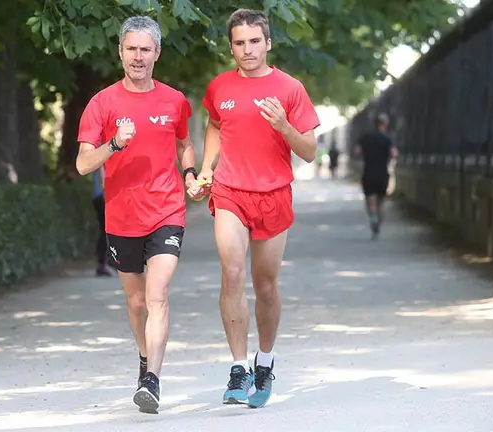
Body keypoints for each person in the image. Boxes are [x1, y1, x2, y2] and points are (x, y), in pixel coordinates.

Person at [187, 8, 320, 409]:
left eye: (254, 42)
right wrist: (207, 170)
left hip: (274, 193)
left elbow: (310, 152)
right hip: (229, 191)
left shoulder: (290, 88)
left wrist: (284, 126)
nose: (247, 50)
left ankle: (265, 362)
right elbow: (214, 124)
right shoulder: (220, 86)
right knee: (232, 271)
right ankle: (238, 367)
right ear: (231, 47)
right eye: (239, 43)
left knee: (265, 284)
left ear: (268, 43)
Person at [75, 15, 198, 414]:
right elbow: (82, 165)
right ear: (121, 52)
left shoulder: (174, 100)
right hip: (122, 217)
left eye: (146, 49)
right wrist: (114, 143)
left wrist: (191, 174)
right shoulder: (102, 103)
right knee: (137, 301)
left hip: (167, 210)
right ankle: (145, 359)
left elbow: (184, 144)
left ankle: (152, 380)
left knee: (157, 294)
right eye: (132, 49)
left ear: (157, 53)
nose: (138, 57)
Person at [353, 112, 398, 239]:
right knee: (381, 203)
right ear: (386, 124)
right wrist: (391, 164)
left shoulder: (365, 137)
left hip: (368, 173)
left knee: (370, 201)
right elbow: (394, 154)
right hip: (383, 174)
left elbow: (357, 151)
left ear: (374, 123)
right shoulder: (387, 139)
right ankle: (378, 219)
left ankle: (372, 216)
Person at [91, 167, 112, 277]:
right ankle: (103, 263)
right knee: (107, 229)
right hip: (103, 195)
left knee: (105, 229)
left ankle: (104, 262)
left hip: (99, 195)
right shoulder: (104, 151)